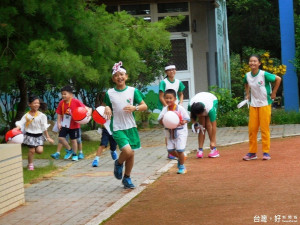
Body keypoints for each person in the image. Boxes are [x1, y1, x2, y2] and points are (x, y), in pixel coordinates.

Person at [104, 61, 147, 189]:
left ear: (126, 77)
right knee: (127, 151)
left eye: (121, 74)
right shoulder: (109, 93)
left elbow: (144, 106)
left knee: (131, 153)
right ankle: (118, 163)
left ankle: (127, 178)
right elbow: (106, 105)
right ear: (113, 79)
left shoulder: (133, 91)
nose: (119, 77)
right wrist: (106, 107)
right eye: (116, 75)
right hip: (117, 127)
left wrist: (135, 108)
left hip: (131, 126)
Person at [242, 54, 281, 161]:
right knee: (252, 129)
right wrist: (247, 94)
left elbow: (278, 79)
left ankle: (266, 152)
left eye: (255, 61)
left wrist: (274, 93)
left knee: (264, 129)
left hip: (264, 103)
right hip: (254, 104)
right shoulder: (247, 75)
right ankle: (252, 152)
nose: (252, 63)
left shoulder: (264, 74)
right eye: (251, 61)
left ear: (259, 63)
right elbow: (246, 83)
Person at [51, 85, 92, 161]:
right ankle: (69, 150)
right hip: (65, 125)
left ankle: (75, 154)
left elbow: (86, 108)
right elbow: (59, 114)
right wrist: (59, 123)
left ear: (71, 95)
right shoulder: (61, 103)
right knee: (61, 138)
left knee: (74, 140)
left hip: (74, 125)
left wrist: (89, 111)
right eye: (62, 94)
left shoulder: (75, 101)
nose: (63, 95)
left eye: (65, 94)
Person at [15, 96, 54, 170]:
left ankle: (32, 156)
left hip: (39, 136)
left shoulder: (42, 116)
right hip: (30, 135)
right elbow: (20, 123)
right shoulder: (27, 115)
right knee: (31, 150)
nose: (37, 104)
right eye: (34, 103)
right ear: (29, 104)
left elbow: (44, 127)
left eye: (38, 103)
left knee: (39, 151)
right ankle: (30, 165)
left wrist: (48, 137)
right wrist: (16, 128)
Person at [158, 89, 190, 174]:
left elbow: (187, 118)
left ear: (175, 99)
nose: (168, 100)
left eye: (170, 98)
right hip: (169, 133)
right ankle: (181, 158)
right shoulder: (165, 109)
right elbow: (160, 120)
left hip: (180, 132)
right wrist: (164, 119)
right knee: (170, 151)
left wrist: (183, 121)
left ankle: (182, 167)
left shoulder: (180, 108)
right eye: (166, 98)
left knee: (180, 150)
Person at [158, 63, 185, 160]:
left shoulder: (178, 82)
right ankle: (170, 151)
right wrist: (167, 107)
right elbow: (161, 96)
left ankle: (178, 148)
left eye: (174, 69)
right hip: (168, 108)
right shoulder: (164, 82)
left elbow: (181, 94)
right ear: (166, 72)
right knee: (168, 129)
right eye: (169, 70)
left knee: (177, 127)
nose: (172, 71)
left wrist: (180, 103)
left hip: (176, 108)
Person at [188, 92, 219, 158]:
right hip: (201, 100)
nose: (200, 116)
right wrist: (195, 124)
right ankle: (200, 149)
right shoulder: (191, 105)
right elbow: (192, 116)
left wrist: (213, 141)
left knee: (208, 124)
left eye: (201, 114)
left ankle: (214, 149)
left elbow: (214, 126)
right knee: (202, 125)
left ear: (204, 110)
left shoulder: (210, 109)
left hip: (212, 99)